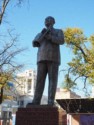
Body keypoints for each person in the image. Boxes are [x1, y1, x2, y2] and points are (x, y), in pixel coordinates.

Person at [29, 16, 64, 106]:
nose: (47, 21)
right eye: (45, 20)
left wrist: (50, 37)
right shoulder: (41, 32)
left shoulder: (58, 31)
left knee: (52, 81)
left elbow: (61, 40)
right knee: (39, 81)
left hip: (53, 58)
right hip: (41, 58)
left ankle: (50, 101)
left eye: (49, 19)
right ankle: (36, 101)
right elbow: (34, 43)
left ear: (53, 22)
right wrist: (42, 35)